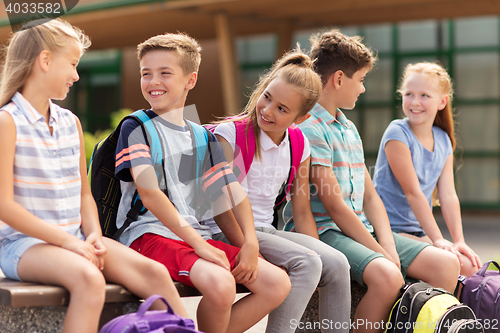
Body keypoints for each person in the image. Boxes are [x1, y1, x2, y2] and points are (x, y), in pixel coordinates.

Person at [0, 19, 189, 333]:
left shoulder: (69, 122)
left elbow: (84, 195)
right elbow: (4, 206)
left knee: (155, 275)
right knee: (88, 278)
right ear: (45, 61)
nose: (76, 75)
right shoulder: (7, 122)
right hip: (22, 246)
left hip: (75, 238)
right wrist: (69, 244)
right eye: (72, 64)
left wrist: (92, 236)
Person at [283, 29, 460, 333]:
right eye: (361, 80)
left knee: (447, 265)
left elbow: (370, 197)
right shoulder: (310, 127)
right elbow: (335, 207)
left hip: (361, 229)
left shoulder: (348, 127)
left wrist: (387, 243)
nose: (363, 89)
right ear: (339, 79)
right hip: (328, 232)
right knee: (388, 276)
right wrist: (381, 253)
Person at [114, 32, 291, 333]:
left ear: (190, 80)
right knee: (222, 284)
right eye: (146, 74)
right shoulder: (136, 127)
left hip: (192, 237)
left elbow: (229, 197)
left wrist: (248, 243)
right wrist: (200, 244)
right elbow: (151, 194)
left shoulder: (200, 137)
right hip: (148, 235)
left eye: (165, 73)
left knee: (276, 283)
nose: (153, 81)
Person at [206, 50, 351, 333]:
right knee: (306, 264)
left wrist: (317, 249)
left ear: (301, 117)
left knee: (337, 264)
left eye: (282, 109)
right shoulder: (230, 135)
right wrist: (249, 246)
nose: (268, 110)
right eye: (268, 97)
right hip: (225, 229)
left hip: (265, 232)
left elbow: (301, 210)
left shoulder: (299, 145)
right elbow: (218, 204)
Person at [372, 62, 481, 277]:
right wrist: (438, 239)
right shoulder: (397, 133)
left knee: (471, 266)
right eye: (409, 94)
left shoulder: (443, 140)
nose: (415, 102)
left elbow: (448, 195)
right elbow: (414, 193)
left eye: (424, 96)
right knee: (447, 262)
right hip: (388, 230)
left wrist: (459, 240)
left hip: (419, 231)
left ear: (442, 102)